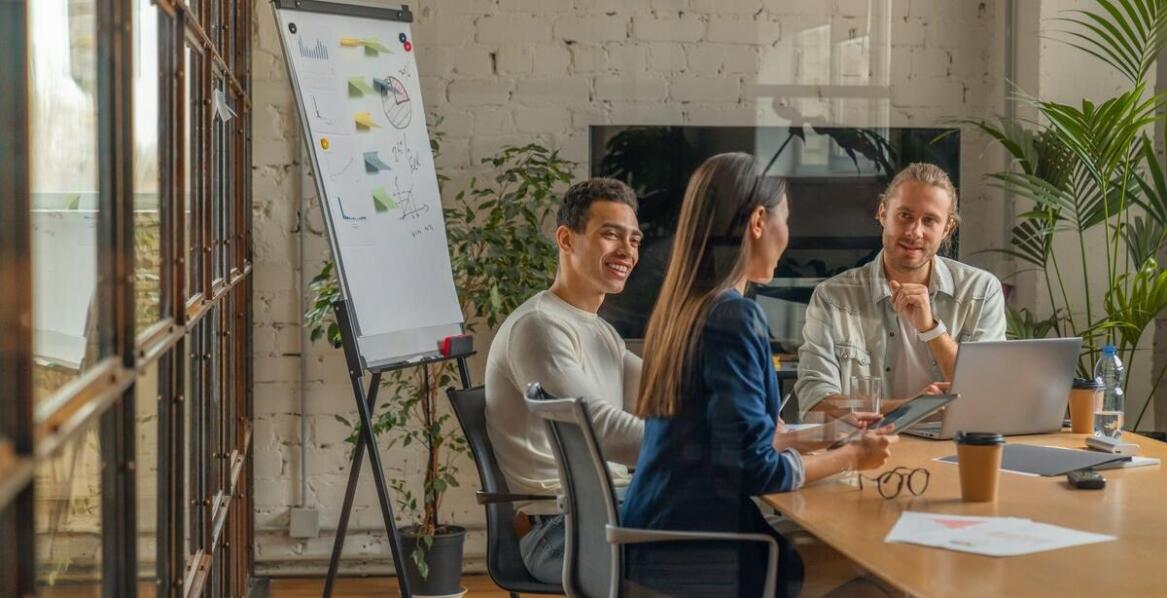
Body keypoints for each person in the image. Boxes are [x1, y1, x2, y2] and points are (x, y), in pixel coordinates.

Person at [621, 153, 897, 597]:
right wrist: (853, 457)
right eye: (785, 220)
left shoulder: (683, 309)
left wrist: (818, 435)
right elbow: (756, 471)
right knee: (880, 572)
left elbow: (719, 442)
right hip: (698, 553)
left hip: (654, 534)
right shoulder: (734, 316)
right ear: (757, 221)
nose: (788, 236)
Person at [485, 177, 645, 584]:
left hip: (608, 511)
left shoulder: (600, 331)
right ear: (566, 239)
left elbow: (664, 394)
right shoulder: (540, 326)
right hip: (560, 532)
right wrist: (707, 450)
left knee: (743, 533)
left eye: (635, 239)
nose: (627, 250)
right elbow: (602, 431)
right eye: (610, 235)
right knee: (730, 552)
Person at [795, 162, 1007, 414]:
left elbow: (987, 395)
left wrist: (931, 330)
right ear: (883, 213)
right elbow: (815, 403)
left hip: (953, 447)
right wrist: (910, 409)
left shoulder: (981, 290)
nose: (914, 231)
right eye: (905, 215)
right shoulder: (833, 296)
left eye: (929, 220)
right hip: (866, 447)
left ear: (947, 228)